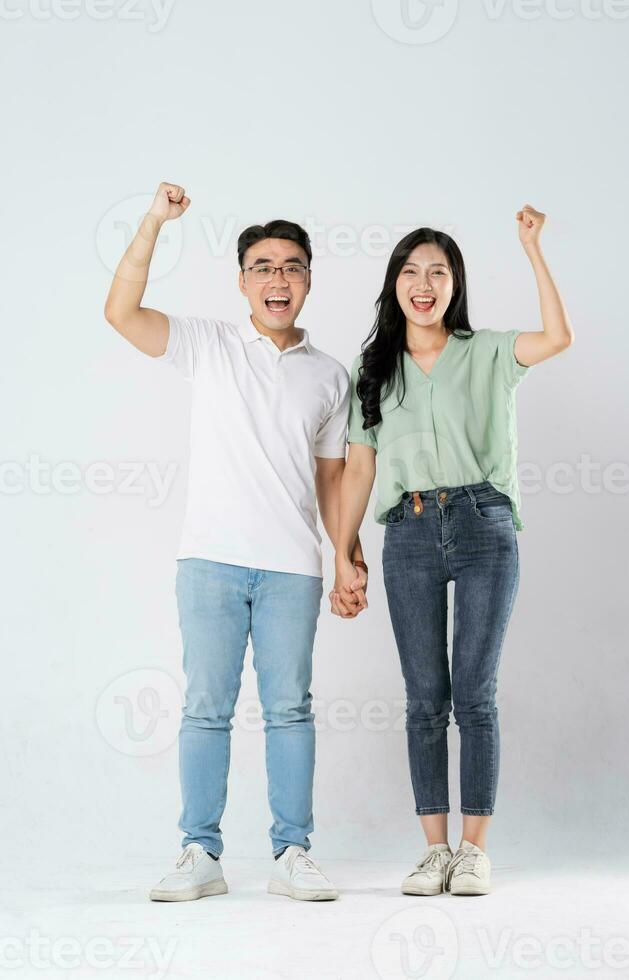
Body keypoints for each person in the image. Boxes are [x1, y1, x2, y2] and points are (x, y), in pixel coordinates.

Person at [104, 181, 366, 902]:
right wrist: (156, 220)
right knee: (204, 709)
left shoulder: (329, 375)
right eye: (262, 266)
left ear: (308, 279)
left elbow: (332, 477)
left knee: (290, 709)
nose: (276, 279)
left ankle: (292, 853)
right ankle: (200, 853)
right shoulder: (208, 344)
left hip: (291, 567)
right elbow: (120, 311)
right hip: (210, 562)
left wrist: (346, 555)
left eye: (290, 266)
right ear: (243, 282)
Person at [330, 206, 573, 896]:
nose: (423, 283)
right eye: (411, 271)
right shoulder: (372, 368)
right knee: (423, 697)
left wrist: (531, 250)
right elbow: (356, 466)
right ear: (394, 285)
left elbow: (558, 336)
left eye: (438, 271)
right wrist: (343, 551)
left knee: (474, 693)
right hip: (405, 531)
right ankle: (432, 850)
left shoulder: (488, 351)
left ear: (454, 284)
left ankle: (474, 850)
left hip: (481, 525)